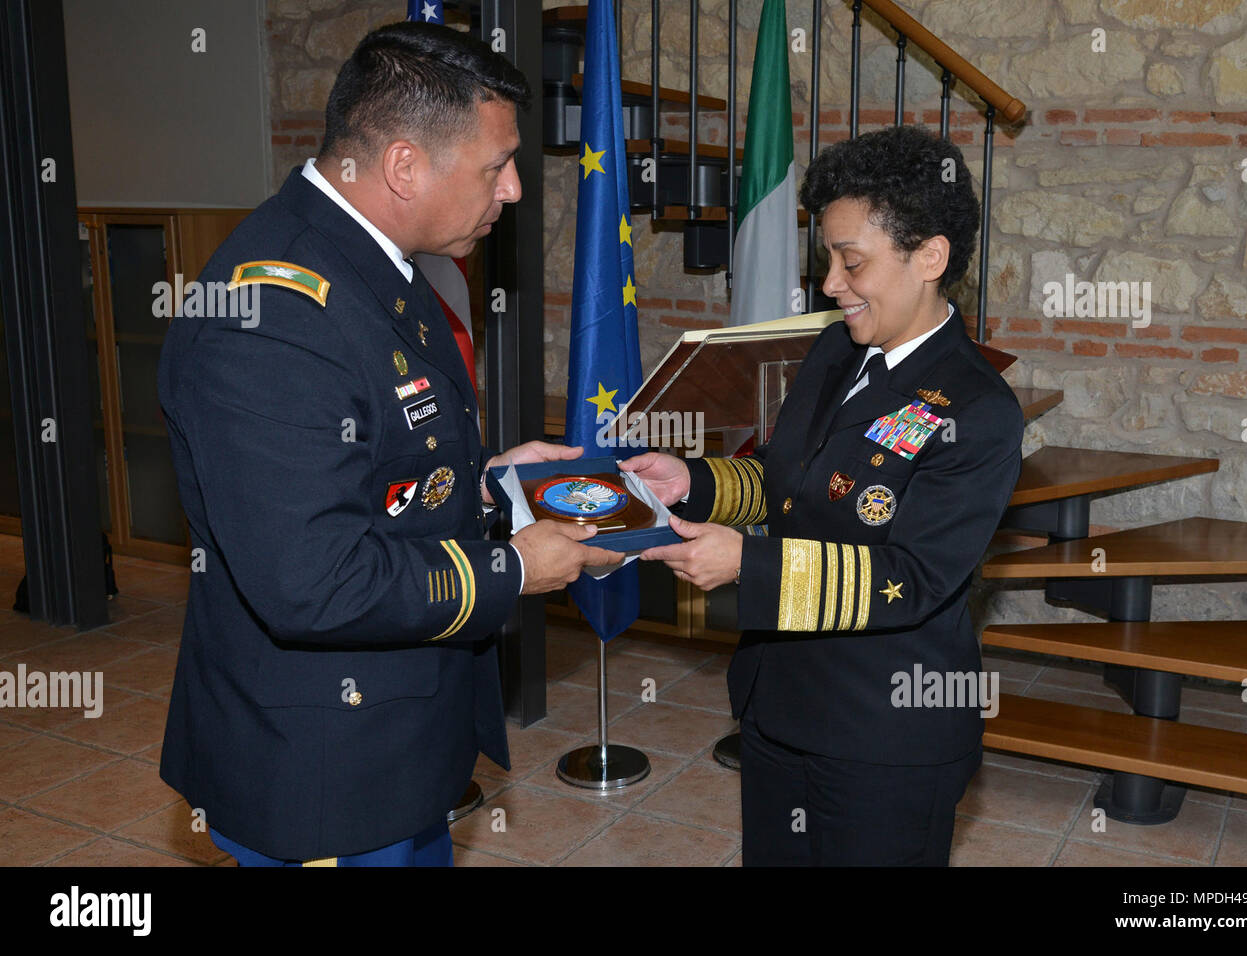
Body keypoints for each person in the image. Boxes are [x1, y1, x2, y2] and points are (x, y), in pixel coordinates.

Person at [157, 22, 621, 867]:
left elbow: (367, 466)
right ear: (405, 166)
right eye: (496, 166)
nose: (513, 190)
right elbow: (314, 582)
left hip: (397, 740)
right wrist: (516, 567)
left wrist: (485, 482)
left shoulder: (378, 263)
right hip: (326, 774)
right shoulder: (273, 321)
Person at [626, 125, 1024, 866]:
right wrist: (696, 482)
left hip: (887, 732)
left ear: (930, 257)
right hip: (780, 702)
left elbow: (909, 579)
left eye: (851, 262)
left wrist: (747, 565)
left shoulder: (979, 411)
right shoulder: (838, 348)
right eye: (829, 260)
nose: (832, 283)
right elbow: (789, 483)